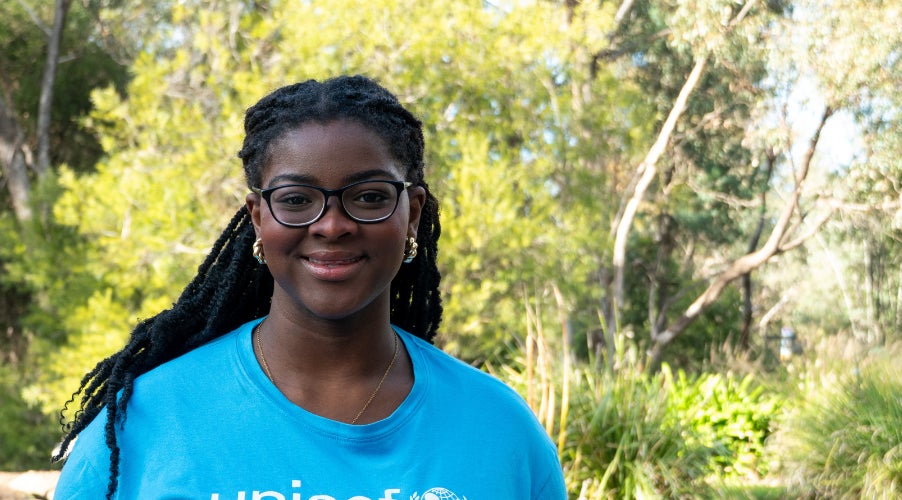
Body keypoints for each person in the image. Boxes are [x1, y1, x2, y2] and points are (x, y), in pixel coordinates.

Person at [53, 75, 565, 500]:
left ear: (412, 215)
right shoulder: (143, 423)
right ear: (258, 218)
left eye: (368, 196)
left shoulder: (500, 432)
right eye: (297, 199)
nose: (332, 224)